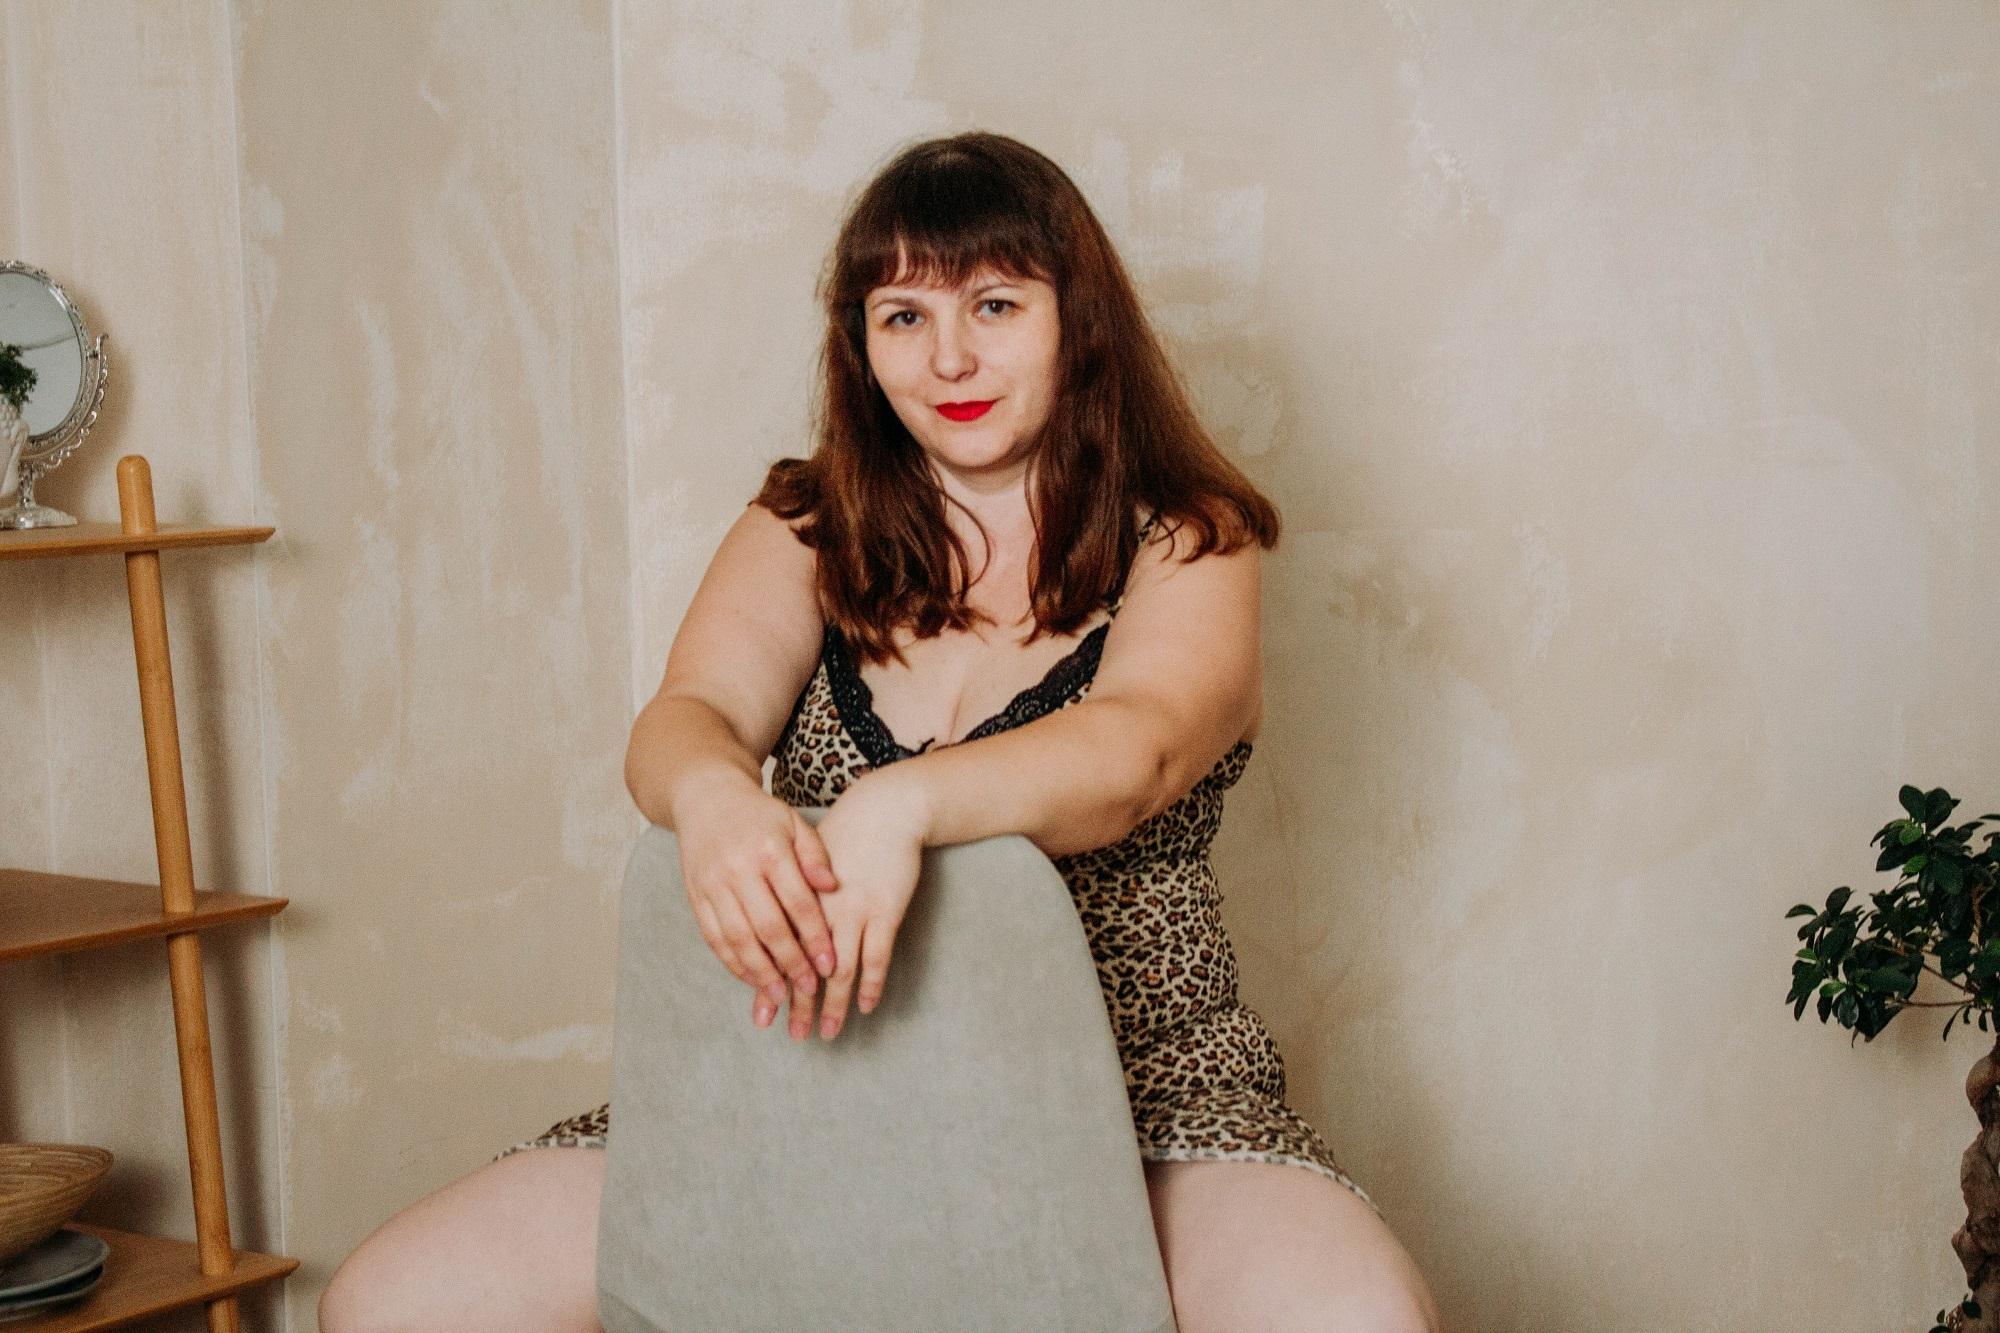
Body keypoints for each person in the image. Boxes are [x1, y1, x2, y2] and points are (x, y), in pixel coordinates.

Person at [321, 130, 1443, 1333]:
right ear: (859, 343)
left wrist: (898, 803)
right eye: (902, 316)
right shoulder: (805, 522)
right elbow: (688, 716)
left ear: (1078, 321)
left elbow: (1138, 749)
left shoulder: (1190, 537)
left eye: (994, 305)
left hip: (1144, 1102)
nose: (947, 356)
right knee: (388, 1300)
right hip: (794, 1089)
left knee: (1360, 1319)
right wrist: (711, 795)